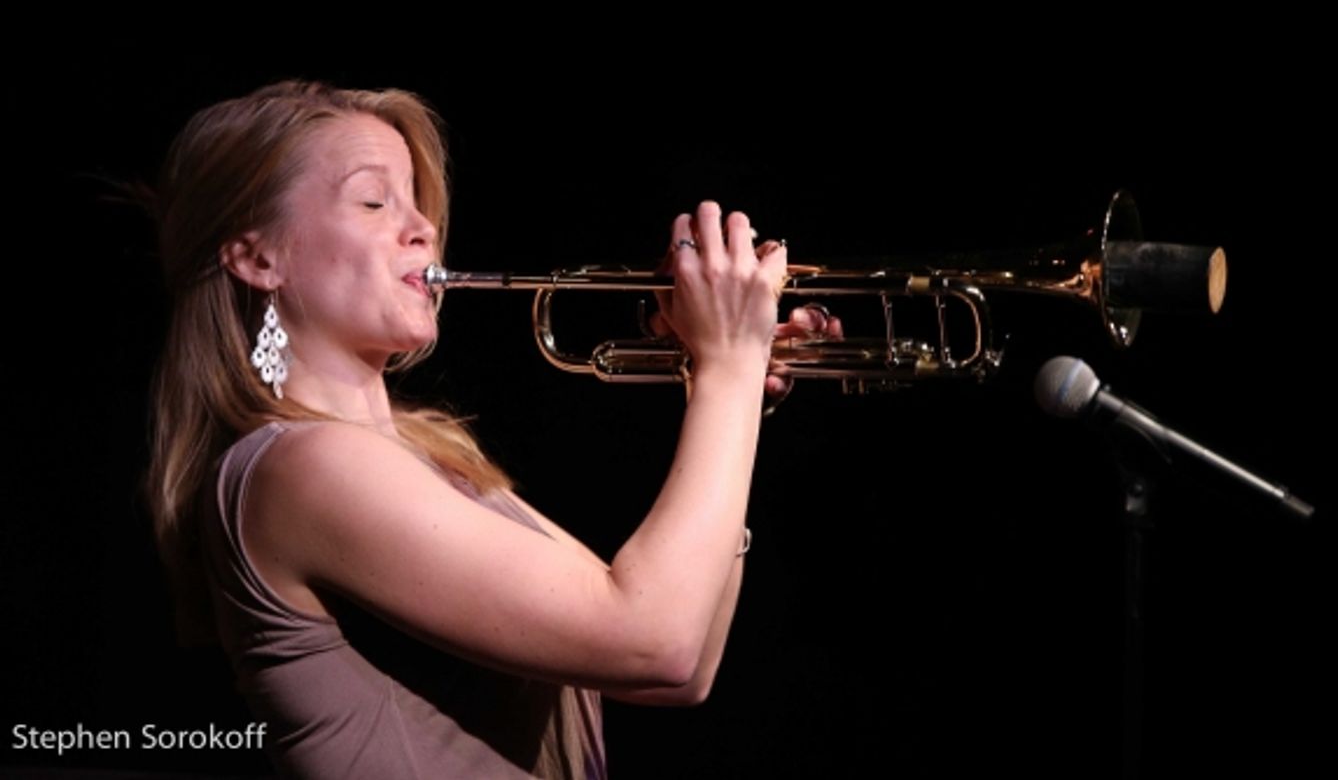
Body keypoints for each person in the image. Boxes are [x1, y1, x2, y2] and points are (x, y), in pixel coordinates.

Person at [145, 80, 839, 779]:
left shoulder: (422, 459)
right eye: (372, 200)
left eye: (417, 199)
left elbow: (682, 669)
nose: (421, 226)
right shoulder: (300, 466)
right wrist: (729, 364)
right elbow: (656, 639)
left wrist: (730, 389)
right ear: (258, 257)